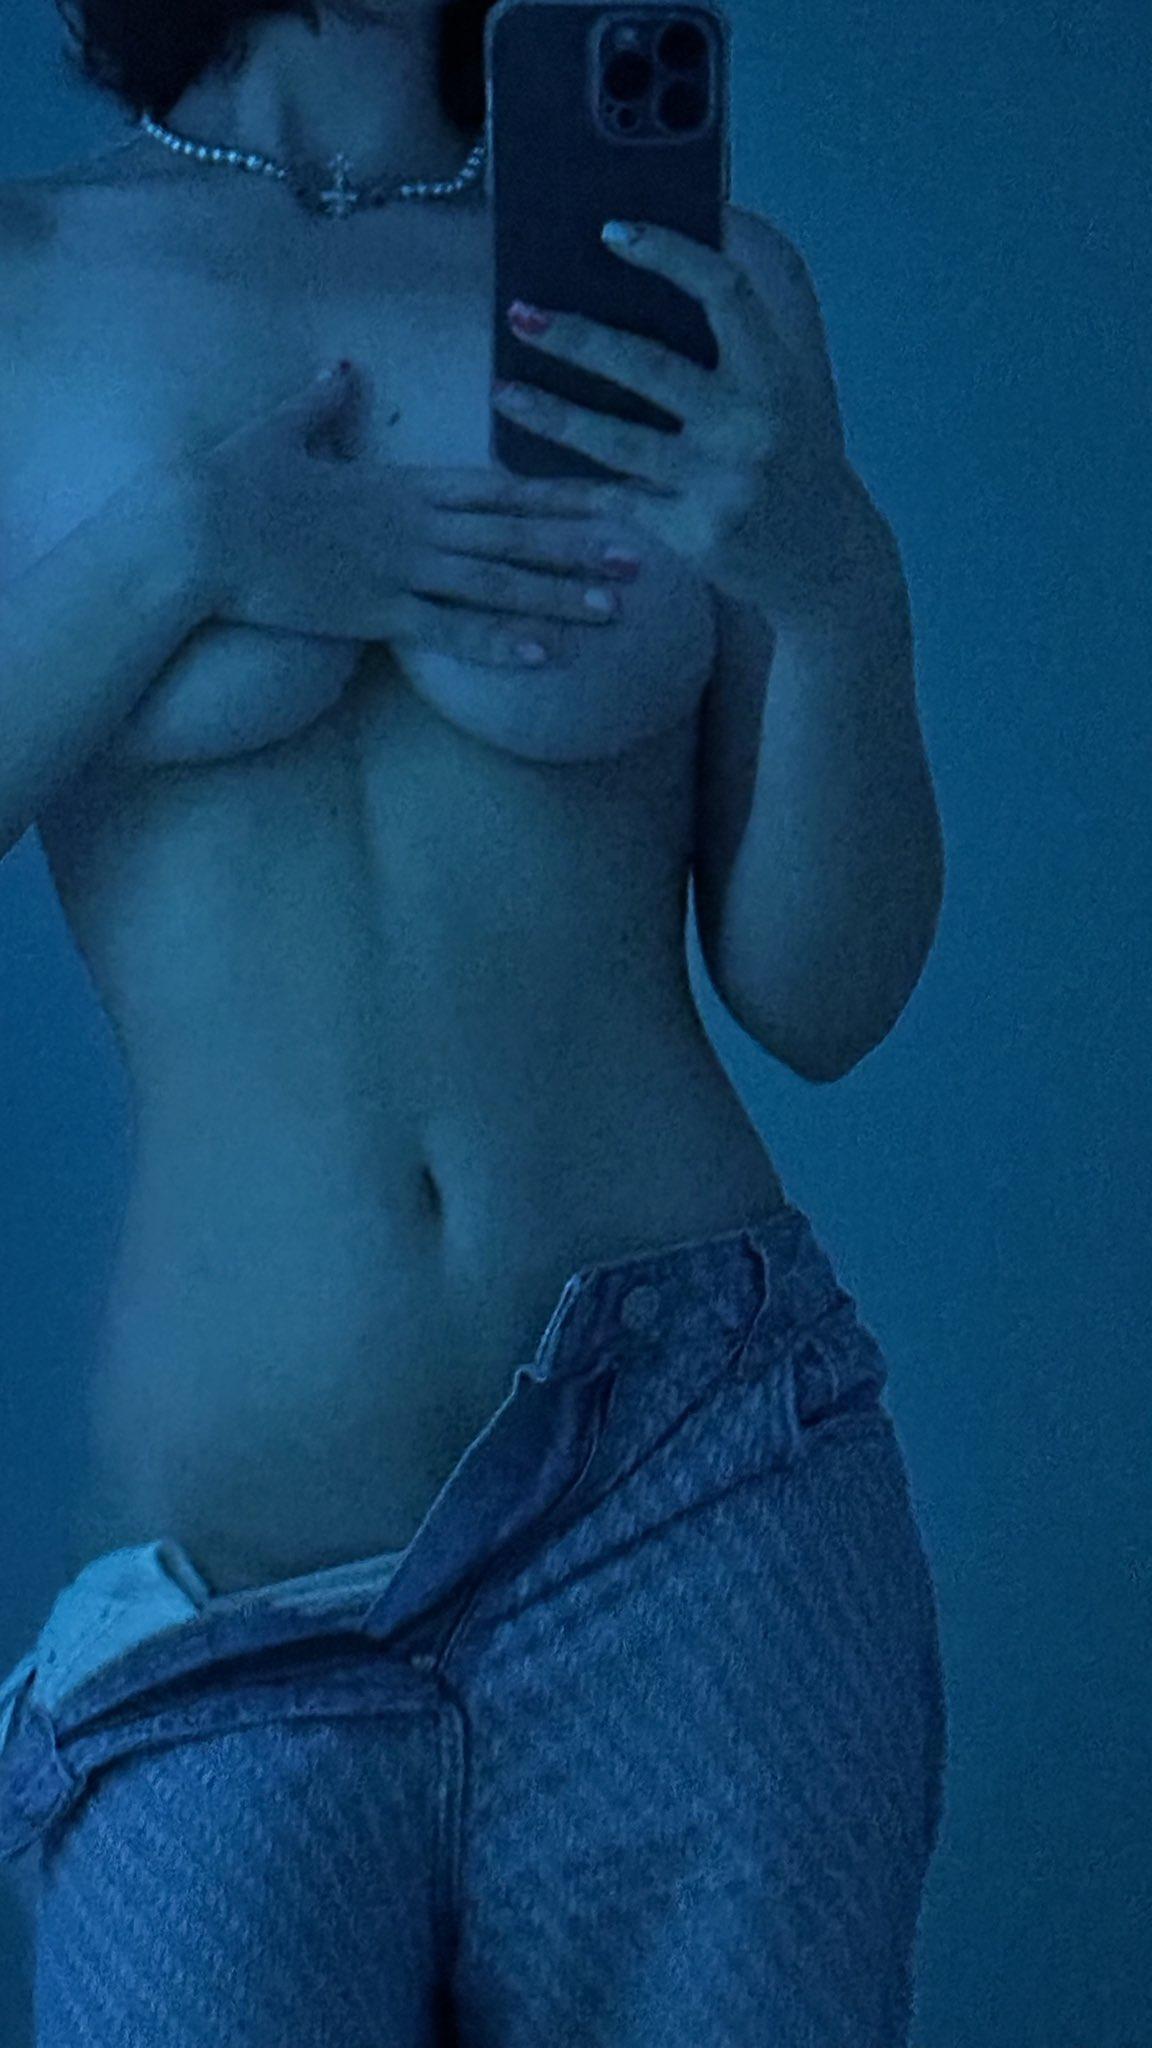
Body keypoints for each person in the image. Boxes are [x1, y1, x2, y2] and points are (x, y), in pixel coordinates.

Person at [0, 2, 948, 2039]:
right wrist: (191, 543)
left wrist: (836, 589)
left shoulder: (698, 277)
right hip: (230, 1578)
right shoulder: (22, 281)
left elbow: (826, 997)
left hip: (698, 1494)